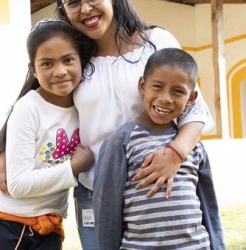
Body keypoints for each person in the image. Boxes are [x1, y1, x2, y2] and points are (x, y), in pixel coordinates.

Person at [0, 0, 217, 249]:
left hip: (151, 185)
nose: (86, 9)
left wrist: (176, 154)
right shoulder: (74, 56)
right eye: (74, 2)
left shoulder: (156, 41)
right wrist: (7, 150)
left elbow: (195, 109)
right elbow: (38, 99)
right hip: (93, 192)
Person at [0, 19, 95, 250]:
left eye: (68, 60)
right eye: (47, 64)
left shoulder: (84, 103)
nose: (60, 71)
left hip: (48, 223)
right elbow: (18, 185)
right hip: (9, 222)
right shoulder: (29, 108)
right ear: (33, 69)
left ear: (81, 60)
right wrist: (73, 167)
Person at [93, 48, 225, 249]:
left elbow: (209, 205)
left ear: (191, 98)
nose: (165, 98)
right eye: (157, 86)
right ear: (142, 86)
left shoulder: (193, 145)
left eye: (178, 91)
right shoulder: (121, 141)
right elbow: (106, 209)